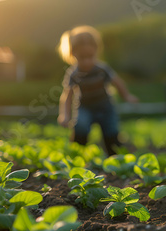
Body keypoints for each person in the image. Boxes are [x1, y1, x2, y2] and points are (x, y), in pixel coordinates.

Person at [57, 25, 138, 156]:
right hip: (85, 107)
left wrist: (127, 96)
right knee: (81, 126)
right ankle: (77, 155)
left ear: (96, 51)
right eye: (82, 57)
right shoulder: (74, 73)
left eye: (90, 56)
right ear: (73, 54)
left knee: (111, 130)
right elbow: (67, 95)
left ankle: (115, 158)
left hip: (105, 107)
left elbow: (117, 82)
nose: (87, 61)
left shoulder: (102, 69)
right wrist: (65, 115)